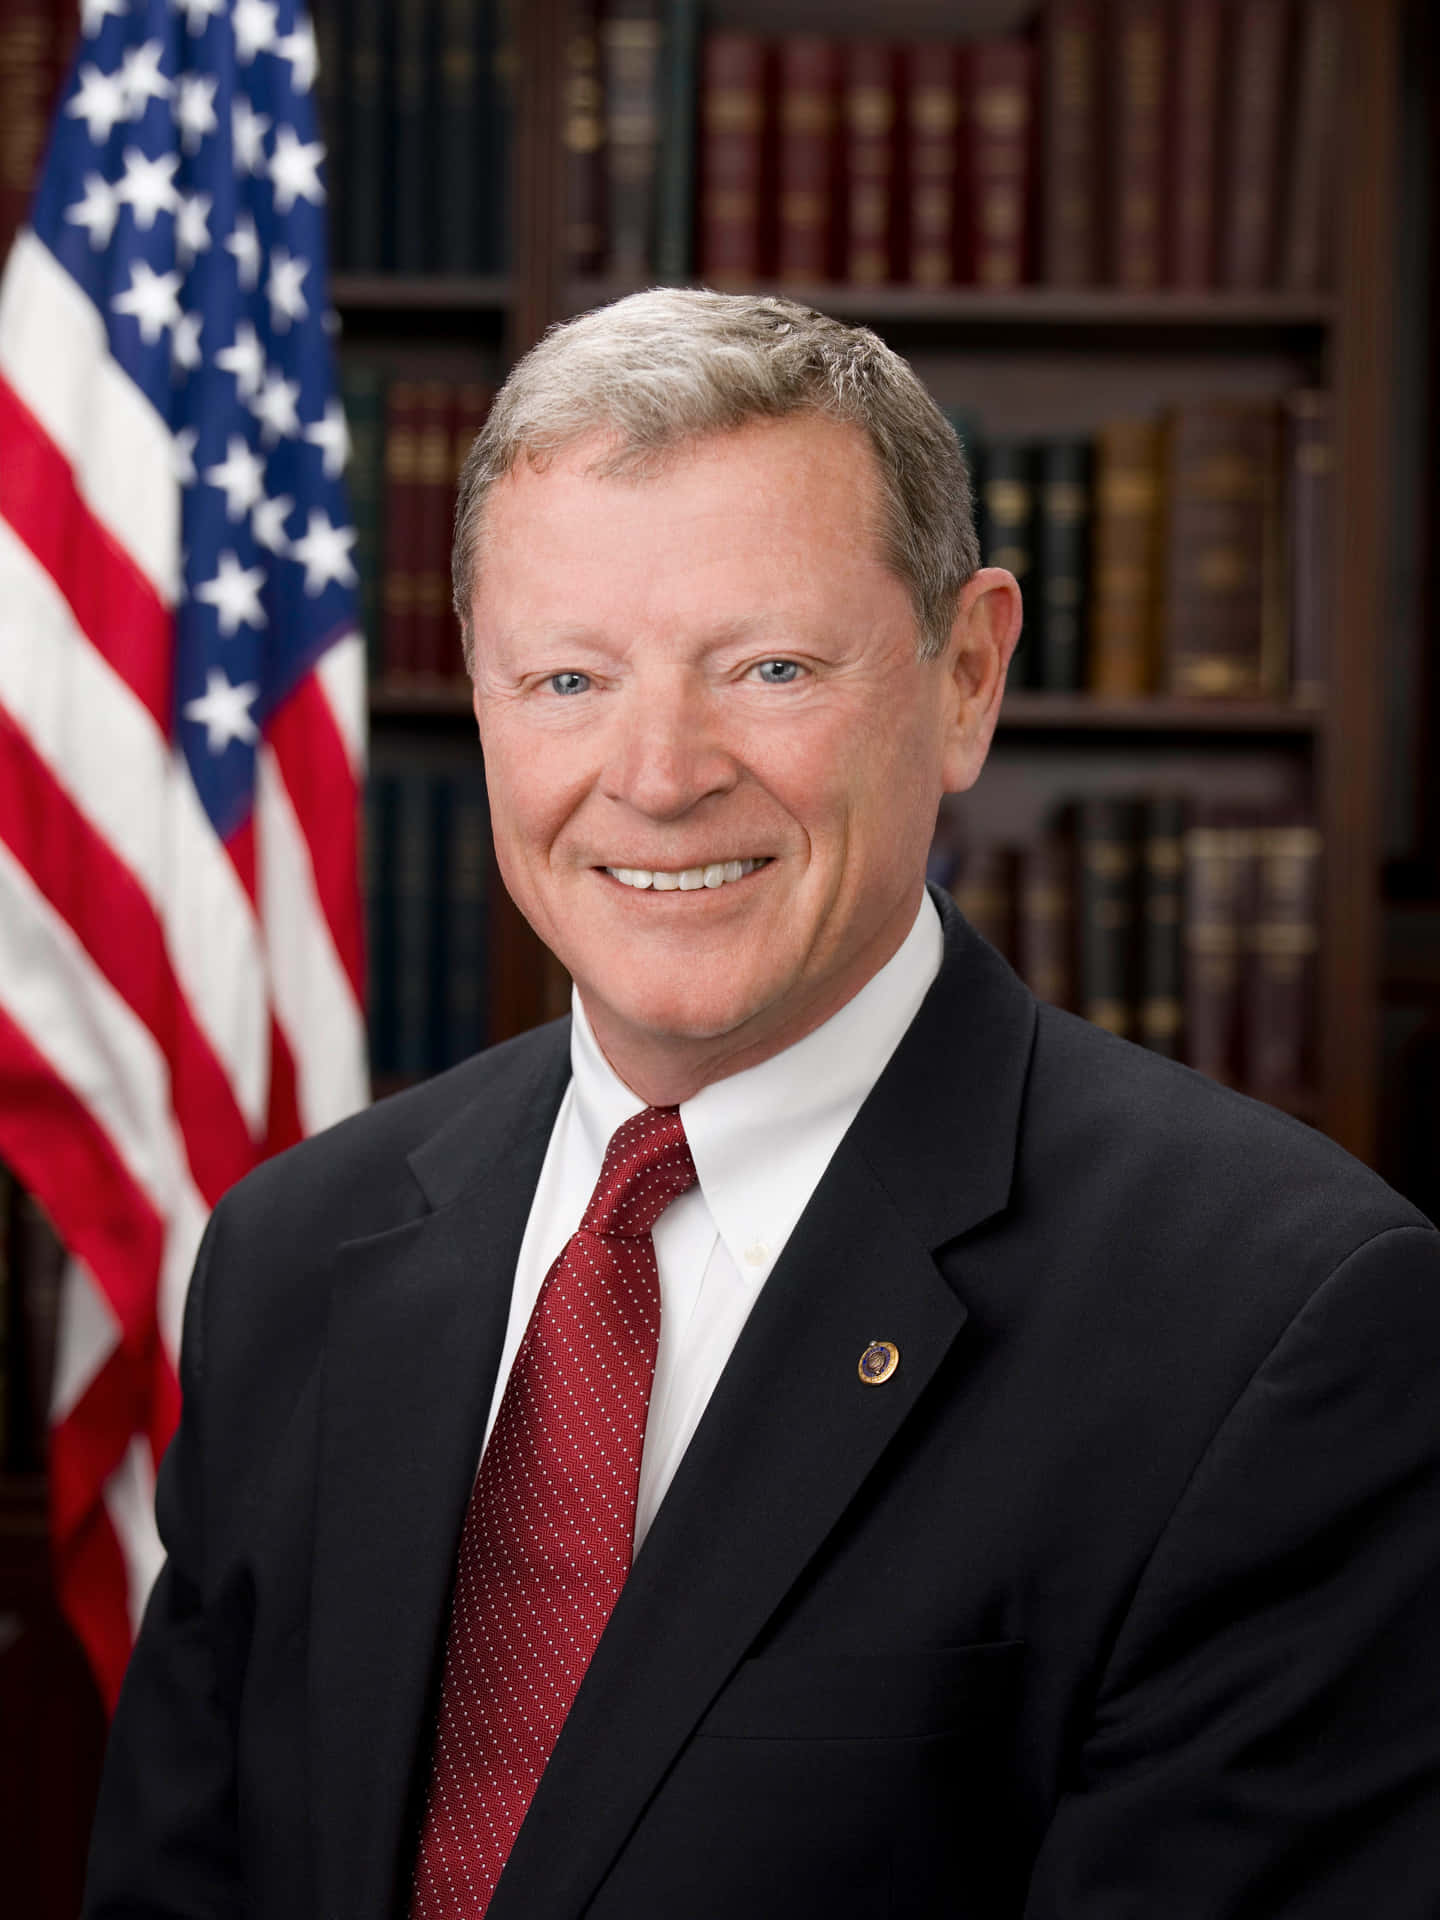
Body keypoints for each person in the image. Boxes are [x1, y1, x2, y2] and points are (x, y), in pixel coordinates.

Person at [84, 291, 1440, 1920]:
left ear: (967, 676)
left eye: (770, 666)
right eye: (570, 677)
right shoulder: (297, 1251)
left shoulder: (1282, 1320)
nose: (659, 773)